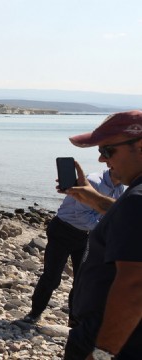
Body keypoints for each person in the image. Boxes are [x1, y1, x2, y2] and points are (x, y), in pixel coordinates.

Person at [61, 110, 142, 359]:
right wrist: (92, 198)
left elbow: (135, 284)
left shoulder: (136, 200)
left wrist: (102, 353)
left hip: (114, 339)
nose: (101, 160)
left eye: (107, 150)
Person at [22, 169, 124, 325]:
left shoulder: (119, 188)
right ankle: (34, 313)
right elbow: (82, 215)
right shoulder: (94, 182)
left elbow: (106, 214)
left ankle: (74, 319)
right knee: (52, 277)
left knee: (81, 280)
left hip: (85, 235)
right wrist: (105, 229)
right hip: (63, 230)